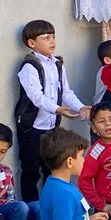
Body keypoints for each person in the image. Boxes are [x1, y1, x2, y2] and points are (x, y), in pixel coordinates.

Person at [14, 19, 91, 203]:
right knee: (31, 170)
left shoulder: (58, 64)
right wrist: (58, 109)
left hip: (51, 128)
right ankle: (33, 212)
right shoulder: (29, 67)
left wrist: (80, 107)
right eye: (46, 37)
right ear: (32, 43)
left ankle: (52, 205)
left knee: (53, 169)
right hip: (31, 128)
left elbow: (66, 92)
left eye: (53, 37)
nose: (52, 41)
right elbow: (36, 96)